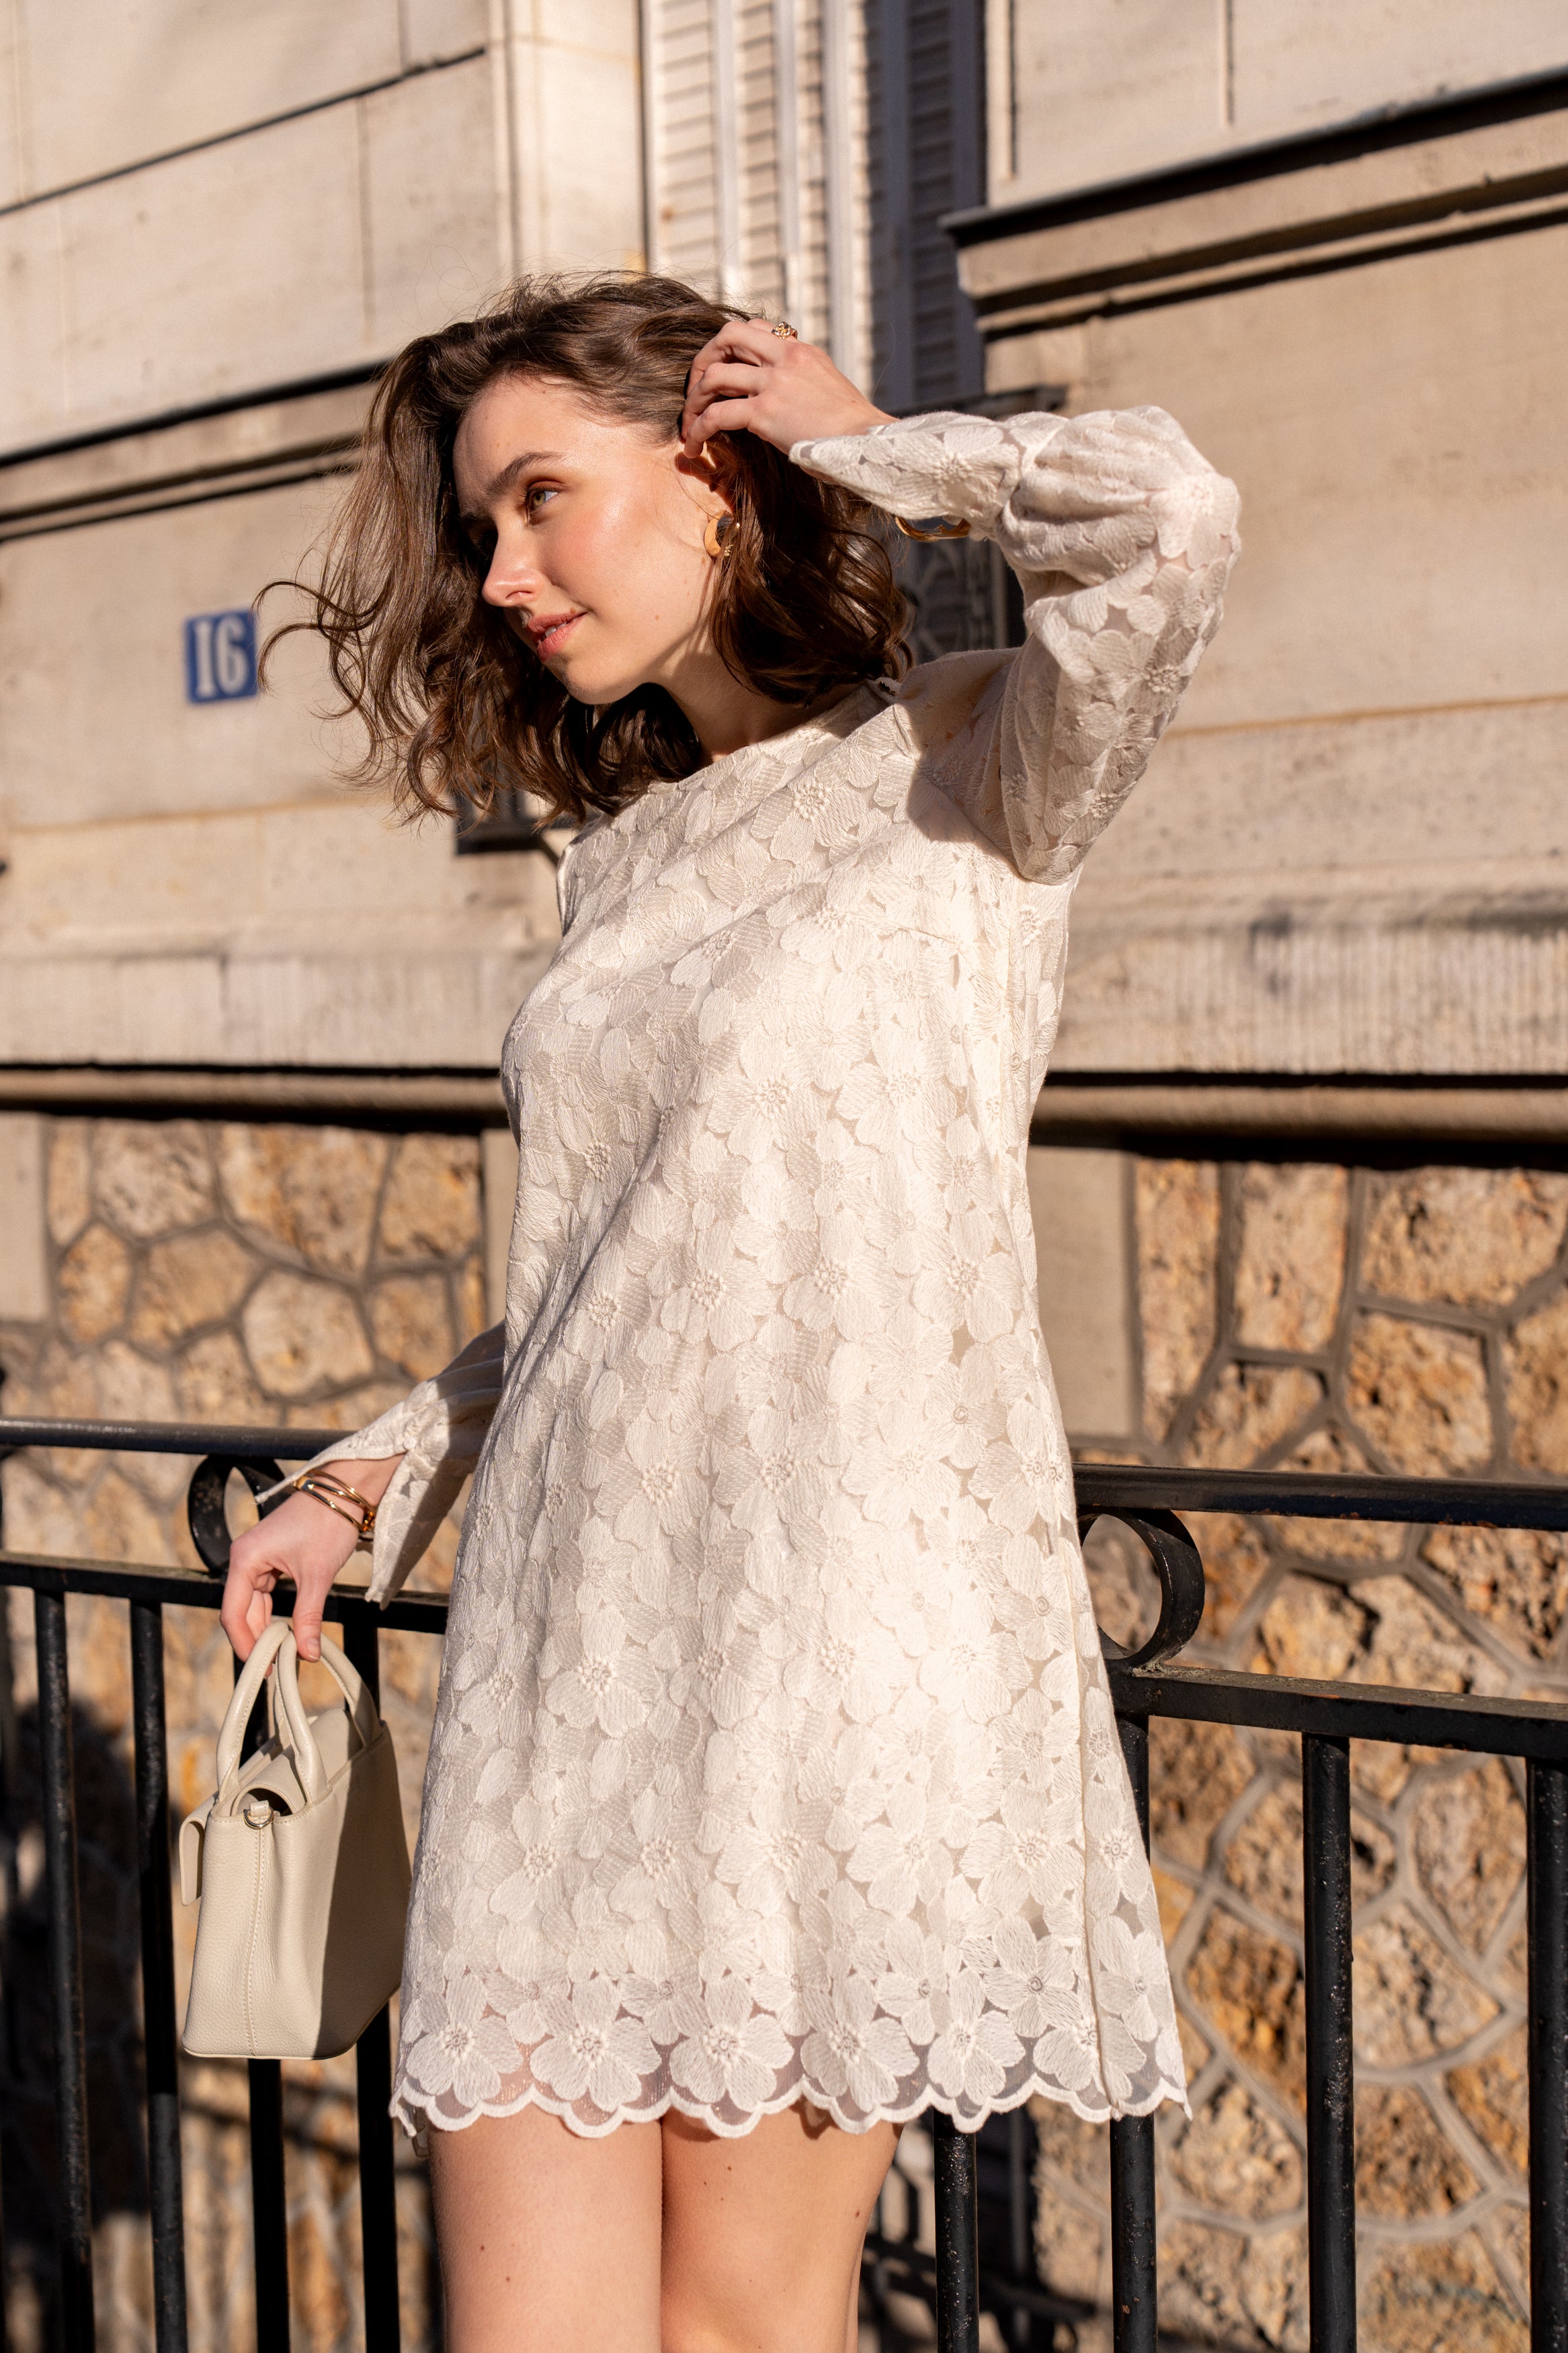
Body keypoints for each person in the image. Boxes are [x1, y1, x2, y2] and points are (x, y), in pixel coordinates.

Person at [221, 272, 1239, 2353]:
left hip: (821, 1671)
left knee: (741, 2331)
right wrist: (371, 1475)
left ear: (717, 469)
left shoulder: (980, 760)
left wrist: (872, 445)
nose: (503, 575)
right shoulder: (616, 861)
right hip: (567, 1665)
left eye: (539, 497)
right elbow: (618, 1278)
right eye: (480, 527)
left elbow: (1173, 518)